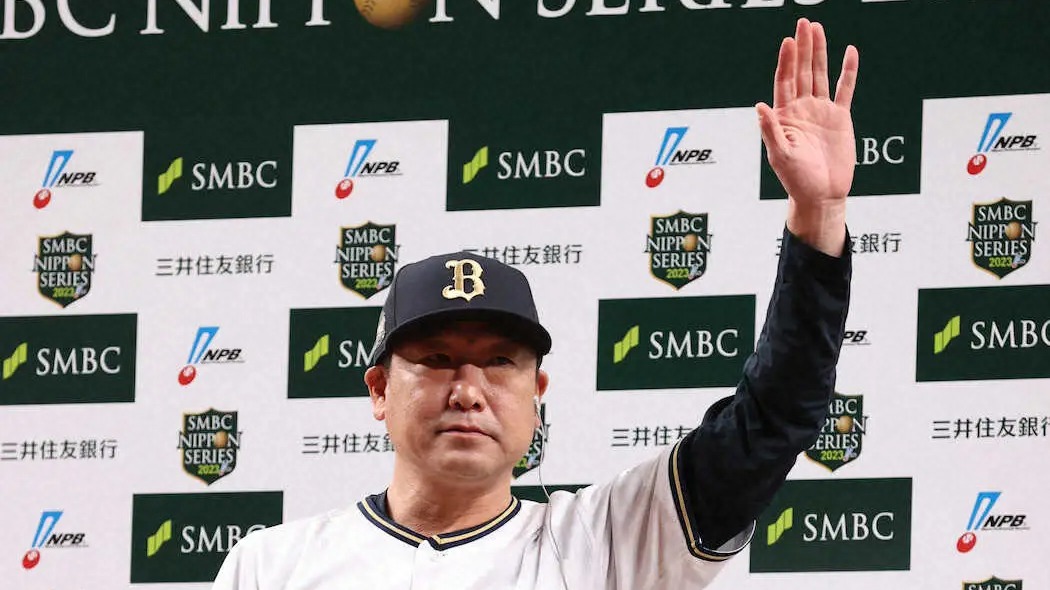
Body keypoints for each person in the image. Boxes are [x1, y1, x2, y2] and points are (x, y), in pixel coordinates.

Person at [213, 17, 858, 590]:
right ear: (379, 388)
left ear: (537, 391)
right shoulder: (273, 567)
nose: (468, 391)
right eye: (437, 359)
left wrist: (819, 214)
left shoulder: (608, 543)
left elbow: (773, 418)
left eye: (499, 362)